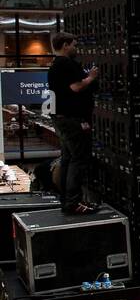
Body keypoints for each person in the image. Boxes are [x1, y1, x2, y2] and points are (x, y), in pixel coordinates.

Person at [47, 32, 100, 215]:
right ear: (65, 45)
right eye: (74, 45)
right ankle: (73, 202)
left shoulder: (55, 64)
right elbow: (76, 87)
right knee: (78, 160)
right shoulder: (65, 64)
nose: (76, 48)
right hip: (72, 120)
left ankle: (67, 200)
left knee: (69, 159)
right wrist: (91, 77)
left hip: (62, 118)